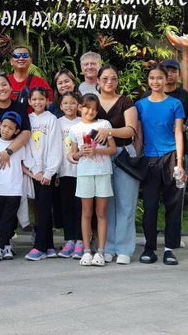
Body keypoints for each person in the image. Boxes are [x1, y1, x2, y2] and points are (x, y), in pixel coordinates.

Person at [136, 65, 186, 265]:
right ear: (148, 80)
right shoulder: (140, 105)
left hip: (172, 157)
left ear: (166, 80)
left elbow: (179, 133)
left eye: (160, 78)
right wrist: (137, 157)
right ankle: (149, 247)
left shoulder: (176, 104)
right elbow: (139, 135)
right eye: (152, 78)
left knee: (173, 204)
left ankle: (169, 249)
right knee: (149, 206)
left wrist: (180, 163)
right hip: (149, 159)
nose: (156, 82)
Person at [0, 73, 32, 254]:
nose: (1, 89)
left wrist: (8, 151)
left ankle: (7, 240)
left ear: (10, 86)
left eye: (4, 84)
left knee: (10, 204)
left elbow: (25, 133)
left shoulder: (20, 107)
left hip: (11, 162)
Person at [95, 65, 138, 264]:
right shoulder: (92, 102)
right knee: (106, 204)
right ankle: (108, 247)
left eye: (113, 78)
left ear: (117, 81)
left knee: (126, 203)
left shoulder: (125, 102)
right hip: (100, 156)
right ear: (98, 80)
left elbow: (131, 130)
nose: (109, 82)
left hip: (124, 155)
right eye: (105, 78)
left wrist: (109, 132)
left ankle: (124, 249)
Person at [68, 93, 116, 267]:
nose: (91, 111)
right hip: (84, 174)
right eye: (87, 107)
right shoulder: (75, 129)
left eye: (95, 109)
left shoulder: (104, 125)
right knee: (86, 213)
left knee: (101, 213)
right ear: (80, 107)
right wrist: (82, 152)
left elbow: (112, 149)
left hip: (103, 172)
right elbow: (73, 155)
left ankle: (101, 252)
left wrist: (97, 151)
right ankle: (87, 251)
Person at [0, 111, 28, 262]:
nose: (6, 130)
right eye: (4, 126)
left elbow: (22, 165)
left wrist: (34, 174)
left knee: (9, 218)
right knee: (0, 217)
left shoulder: (18, 146)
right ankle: (7, 245)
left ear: (16, 131)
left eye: (10, 128)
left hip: (15, 188)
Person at [24, 87, 62, 260]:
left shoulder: (52, 119)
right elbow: (26, 147)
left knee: (46, 207)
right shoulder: (27, 119)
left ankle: (39, 247)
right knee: (39, 207)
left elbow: (56, 147)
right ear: (29, 101)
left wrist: (48, 172)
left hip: (48, 172)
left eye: (41, 99)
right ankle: (49, 246)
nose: (38, 102)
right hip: (34, 172)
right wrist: (35, 170)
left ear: (47, 101)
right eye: (34, 99)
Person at [56, 91, 83, 259]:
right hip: (64, 171)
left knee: (81, 207)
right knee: (66, 207)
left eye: (73, 102)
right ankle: (69, 240)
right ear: (60, 106)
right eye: (65, 103)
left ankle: (80, 240)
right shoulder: (57, 123)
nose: (69, 106)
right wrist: (57, 172)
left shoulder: (83, 122)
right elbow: (55, 149)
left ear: (79, 105)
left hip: (82, 172)